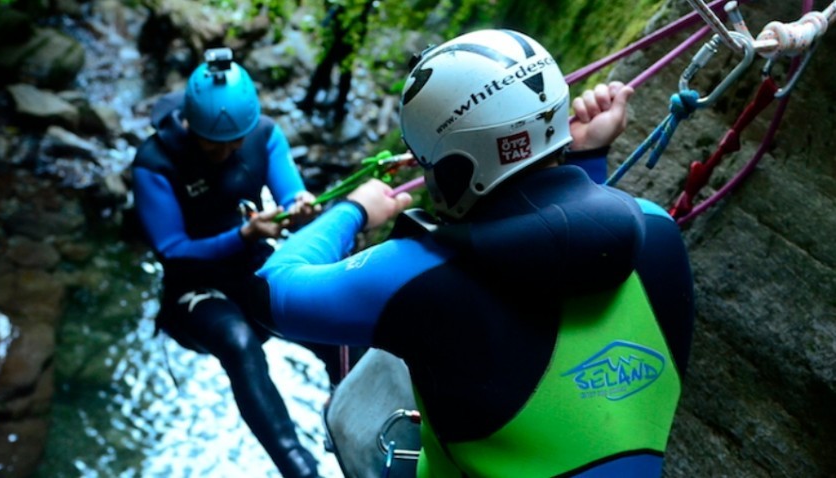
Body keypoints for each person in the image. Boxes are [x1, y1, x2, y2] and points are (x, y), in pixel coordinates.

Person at [255, 29, 695, 477]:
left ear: (456, 167)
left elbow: (270, 290)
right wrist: (585, 161)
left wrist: (353, 210)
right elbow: (573, 251)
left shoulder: (419, 276)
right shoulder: (658, 230)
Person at [131, 47, 332, 478]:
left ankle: (349, 402)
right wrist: (243, 234)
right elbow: (171, 248)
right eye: (213, 144)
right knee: (239, 343)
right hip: (193, 287)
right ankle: (300, 469)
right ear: (191, 125)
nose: (226, 152)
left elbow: (290, 195)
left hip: (251, 266)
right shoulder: (156, 163)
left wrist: (300, 206)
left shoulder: (263, 134)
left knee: (328, 321)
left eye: (235, 142)